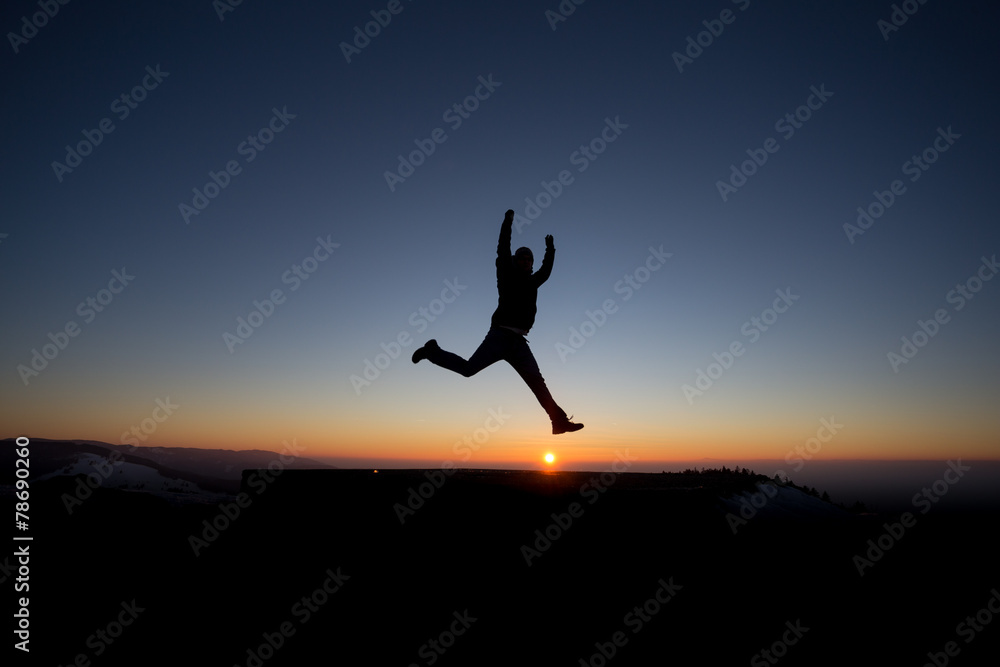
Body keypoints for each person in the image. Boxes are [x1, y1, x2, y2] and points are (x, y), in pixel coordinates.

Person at [412, 209, 583, 435]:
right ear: (515, 261)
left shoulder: (533, 282)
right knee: (468, 370)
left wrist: (550, 250)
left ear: (531, 264)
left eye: (528, 259)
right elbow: (503, 248)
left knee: (537, 383)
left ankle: (558, 422)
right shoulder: (505, 274)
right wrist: (507, 222)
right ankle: (432, 351)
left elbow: (546, 271)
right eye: (521, 258)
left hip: (519, 343)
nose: (524, 261)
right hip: (499, 337)